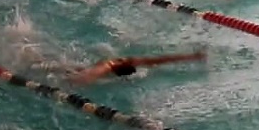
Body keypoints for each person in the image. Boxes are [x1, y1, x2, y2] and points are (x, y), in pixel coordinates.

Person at [67, 51, 206, 85]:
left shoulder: (106, 66)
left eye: (121, 59)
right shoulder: (110, 68)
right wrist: (191, 57)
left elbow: (84, 78)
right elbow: (161, 60)